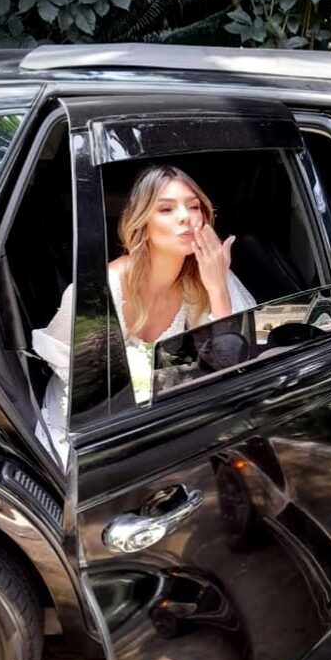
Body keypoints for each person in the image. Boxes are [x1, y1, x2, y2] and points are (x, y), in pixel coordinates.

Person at [32, 164, 256, 466]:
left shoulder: (209, 273)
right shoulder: (101, 290)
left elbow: (234, 366)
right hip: (84, 426)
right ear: (142, 224)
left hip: (158, 417)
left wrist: (217, 289)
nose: (185, 217)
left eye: (194, 207)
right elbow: (85, 389)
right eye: (166, 209)